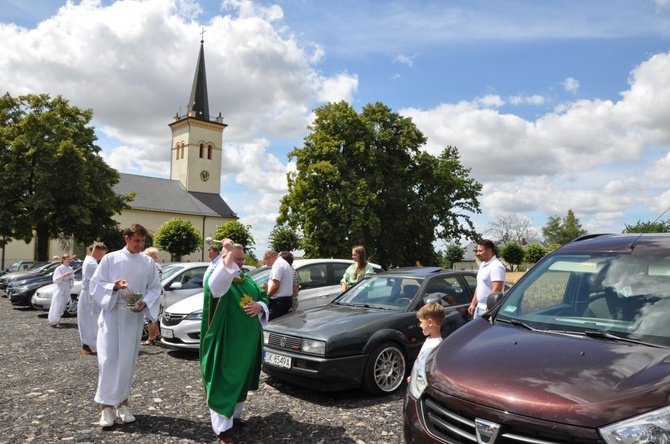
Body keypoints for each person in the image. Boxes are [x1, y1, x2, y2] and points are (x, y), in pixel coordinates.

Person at [89, 224, 162, 428]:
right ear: (127, 238)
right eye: (137, 240)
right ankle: (106, 408)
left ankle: (123, 404)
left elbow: (155, 287)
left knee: (127, 362)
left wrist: (145, 302)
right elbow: (96, 284)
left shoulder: (148, 262)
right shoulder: (110, 258)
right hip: (112, 315)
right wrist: (113, 286)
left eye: (143, 241)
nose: (141, 245)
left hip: (133, 316)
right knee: (108, 360)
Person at [201, 239, 269, 444]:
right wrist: (228, 253)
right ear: (225, 258)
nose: (239, 263)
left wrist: (259, 305)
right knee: (225, 381)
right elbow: (216, 285)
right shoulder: (219, 278)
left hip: (246, 344)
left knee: (241, 380)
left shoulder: (247, 280)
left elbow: (263, 296)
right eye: (234, 258)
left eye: (241, 259)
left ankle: (234, 416)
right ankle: (222, 431)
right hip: (227, 343)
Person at [77, 242, 108, 355]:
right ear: (98, 252)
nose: (102, 257)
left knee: (91, 319)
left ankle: (94, 342)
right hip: (89, 295)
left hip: (90, 293)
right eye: (102, 255)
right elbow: (101, 278)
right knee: (88, 319)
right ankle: (86, 343)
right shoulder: (91, 263)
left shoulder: (91, 261)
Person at [407, 302, 445, 385]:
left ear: (430, 322)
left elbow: (426, 369)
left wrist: (415, 378)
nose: (420, 325)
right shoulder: (430, 340)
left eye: (421, 322)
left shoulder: (435, 346)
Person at [468, 239, 506, 319]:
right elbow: (479, 286)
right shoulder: (483, 265)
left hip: (489, 310)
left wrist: (488, 309)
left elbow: (497, 289)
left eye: (480, 251)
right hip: (479, 307)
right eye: (477, 251)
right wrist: (473, 303)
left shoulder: (496, 266)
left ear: (489, 251)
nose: (477, 253)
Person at [262, 249, 294, 320]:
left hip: (279, 301)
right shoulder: (284, 263)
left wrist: (266, 297)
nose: (266, 263)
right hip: (285, 300)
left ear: (269, 257)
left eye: (265, 260)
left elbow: (275, 285)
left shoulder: (278, 264)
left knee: (268, 322)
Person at [141, 247, 163, 346]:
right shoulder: (158, 265)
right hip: (158, 292)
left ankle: (151, 338)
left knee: (150, 316)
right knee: (155, 315)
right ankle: (157, 334)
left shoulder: (152, 266)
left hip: (152, 293)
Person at [48, 254, 75, 328]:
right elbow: (56, 280)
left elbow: (72, 277)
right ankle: (56, 321)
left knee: (63, 304)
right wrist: (64, 275)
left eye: (70, 260)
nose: (69, 261)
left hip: (67, 287)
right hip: (60, 288)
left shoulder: (70, 268)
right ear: (63, 260)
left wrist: (71, 280)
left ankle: (59, 319)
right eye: (68, 259)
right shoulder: (59, 269)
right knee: (58, 303)